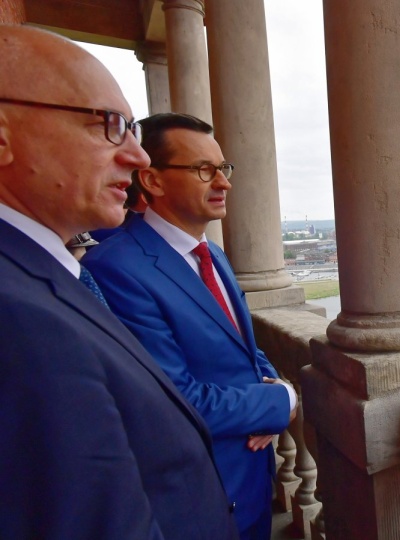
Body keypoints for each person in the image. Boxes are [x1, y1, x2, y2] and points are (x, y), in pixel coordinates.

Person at [0, 25, 237, 539]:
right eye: (108, 125)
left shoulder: (53, 273)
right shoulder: (16, 316)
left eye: (132, 128)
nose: (138, 156)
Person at [83, 112, 297, 539]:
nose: (224, 183)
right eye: (204, 170)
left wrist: (274, 381)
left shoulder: (211, 254)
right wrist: (282, 402)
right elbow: (174, 400)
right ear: (153, 180)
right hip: (202, 496)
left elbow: (243, 348)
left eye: (223, 168)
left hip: (253, 482)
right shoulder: (117, 268)